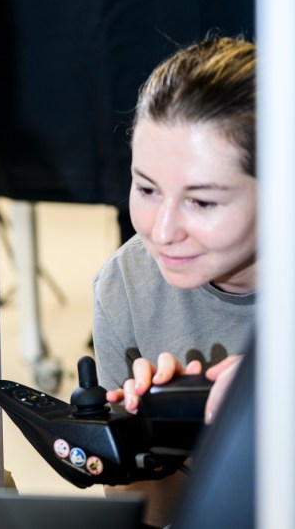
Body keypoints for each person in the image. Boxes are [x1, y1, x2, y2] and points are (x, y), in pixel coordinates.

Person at [91, 36, 256, 528]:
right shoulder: (128, 285)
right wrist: (155, 439)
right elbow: (146, 514)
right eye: (146, 188)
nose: (161, 232)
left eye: (201, 202)